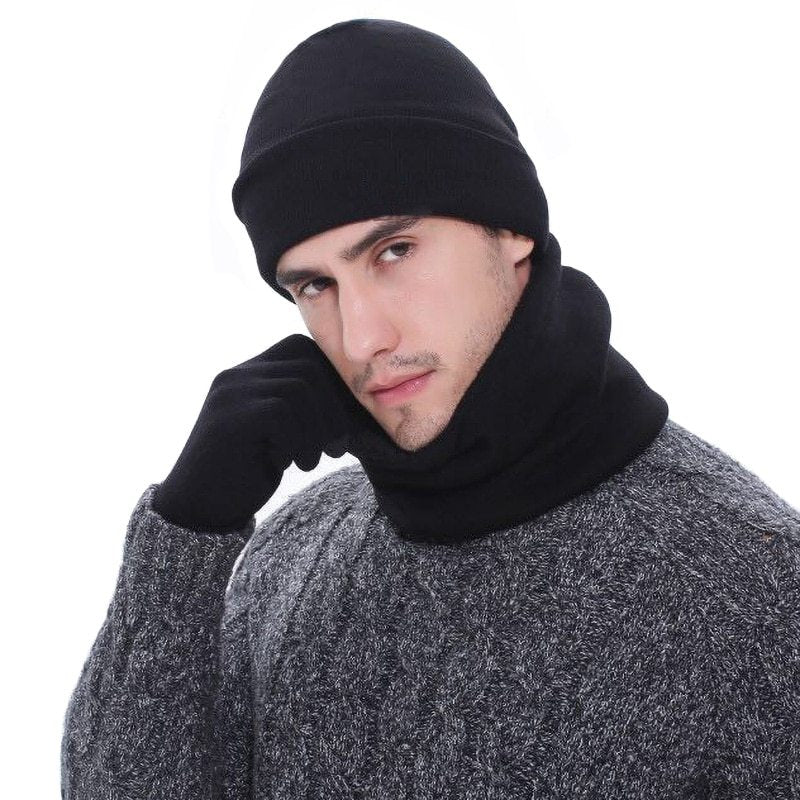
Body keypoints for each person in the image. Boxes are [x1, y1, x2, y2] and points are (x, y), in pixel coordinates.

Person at [60, 18, 799, 799]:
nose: (362, 338)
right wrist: (187, 532)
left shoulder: (755, 595)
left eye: (394, 252)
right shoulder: (294, 553)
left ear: (511, 229)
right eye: (315, 285)